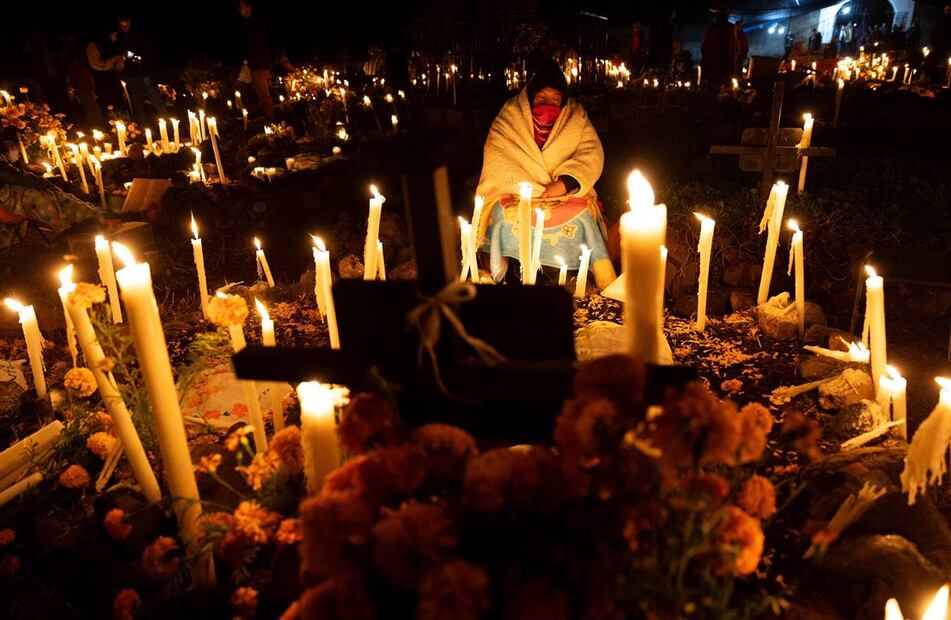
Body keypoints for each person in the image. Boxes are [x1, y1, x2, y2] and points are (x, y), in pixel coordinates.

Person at [475, 58, 616, 288]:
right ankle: (505, 269)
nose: (547, 103)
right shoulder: (510, 115)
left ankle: (586, 270)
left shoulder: (576, 116)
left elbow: (591, 155)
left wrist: (563, 184)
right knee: (503, 215)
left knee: (582, 216)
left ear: (564, 101)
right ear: (529, 97)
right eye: (541, 97)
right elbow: (497, 157)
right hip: (517, 194)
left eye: (554, 99)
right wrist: (532, 190)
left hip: (565, 195)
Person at [110, 14, 167, 126]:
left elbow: (149, 52)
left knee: (156, 100)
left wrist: (141, 59)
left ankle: (168, 126)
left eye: (127, 25)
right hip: (130, 75)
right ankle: (143, 129)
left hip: (144, 72)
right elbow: (114, 55)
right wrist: (114, 45)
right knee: (136, 104)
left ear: (130, 23)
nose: (125, 28)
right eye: (122, 26)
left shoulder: (140, 35)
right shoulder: (117, 37)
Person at [238, 0, 274, 121]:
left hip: (259, 65)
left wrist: (252, 62)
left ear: (249, 7)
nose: (239, 10)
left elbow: (258, 45)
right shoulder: (250, 24)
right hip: (257, 64)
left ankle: (272, 120)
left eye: (242, 7)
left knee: (263, 93)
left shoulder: (257, 24)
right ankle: (268, 117)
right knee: (260, 92)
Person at [700, 11, 738, 87]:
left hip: (721, 57)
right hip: (718, 58)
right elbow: (706, 43)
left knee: (719, 77)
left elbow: (733, 43)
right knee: (719, 77)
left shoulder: (729, 27)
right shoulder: (714, 27)